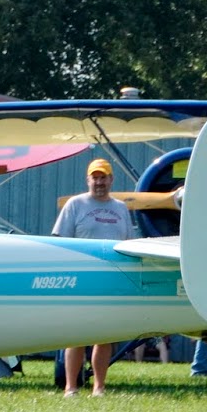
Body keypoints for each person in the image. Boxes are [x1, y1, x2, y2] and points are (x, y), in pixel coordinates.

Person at [52, 157, 134, 396]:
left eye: (103, 177)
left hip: (111, 280)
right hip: (81, 279)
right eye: (95, 178)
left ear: (111, 180)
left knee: (104, 336)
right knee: (76, 335)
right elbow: (60, 242)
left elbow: (128, 242)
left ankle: (99, 386)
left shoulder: (120, 208)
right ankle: (71, 387)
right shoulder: (75, 204)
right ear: (88, 180)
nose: (99, 182)